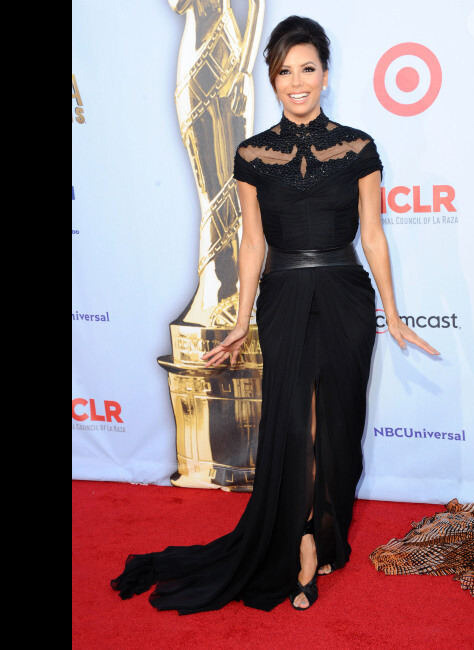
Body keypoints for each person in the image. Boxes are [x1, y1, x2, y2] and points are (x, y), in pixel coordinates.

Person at [111, 15, 439, 614]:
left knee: (338, 427)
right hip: (284, 298)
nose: (297, 82)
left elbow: (373, 236)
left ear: (325, 74)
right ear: (272, 77)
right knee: (296, 426)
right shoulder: (252, 154)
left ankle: (320, 531)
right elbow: (253, 243)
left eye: (307, 68)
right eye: (285, 71)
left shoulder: (360, 147)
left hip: (344, 294)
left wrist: (392, 314)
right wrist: (239, 320)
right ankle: (300, 543)